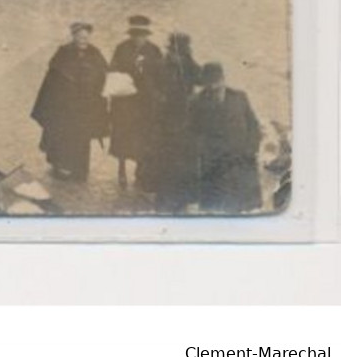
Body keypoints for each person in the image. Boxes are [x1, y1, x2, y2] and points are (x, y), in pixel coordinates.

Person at [30, 22, 110, 181]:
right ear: (73, 37)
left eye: (86, 38)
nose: (83, 41)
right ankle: (61, 166)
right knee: (63, 136)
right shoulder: (63, 52)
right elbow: (53, 76)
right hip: (65, 106)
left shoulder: (95, 53)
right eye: (80, 37)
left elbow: (103, 73)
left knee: (82, 138)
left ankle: (80, 170)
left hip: (85, 106)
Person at [189, 62, 263, 214]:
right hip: (213, 163)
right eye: (209, 85)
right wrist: (204, 151)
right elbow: (192, 132)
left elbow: (254, 126)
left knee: (240, 206)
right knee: (215, 207)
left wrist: (251, 149)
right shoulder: (196, 102)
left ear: (223, 79)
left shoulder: (239, 97)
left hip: (240, 160)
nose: (214, 88)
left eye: (217, 83)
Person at [109, 15, 164, 189]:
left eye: (142, 35)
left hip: (145, 103)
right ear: (131, 35)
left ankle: (141, 173)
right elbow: (113, 70)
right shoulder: (122, 48)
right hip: (125, 102)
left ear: (147, 35)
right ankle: (121, 169)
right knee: (123, 136)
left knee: (144, 138)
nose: (139, 38)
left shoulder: (154, 51)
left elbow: (160, 75)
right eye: (135, 35)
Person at [152, 32, 204, 212]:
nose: (176, 56)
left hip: (185, 119)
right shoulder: (161, 66)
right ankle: (165, 198)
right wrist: (160, 98)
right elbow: (152, 88)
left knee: (185, 160)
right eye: (175, 52)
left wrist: (189, 61)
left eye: (181, 53)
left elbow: (201, 78)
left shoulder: (188, 65)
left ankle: (184, 197)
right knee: (166, 159)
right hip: (166, 120)